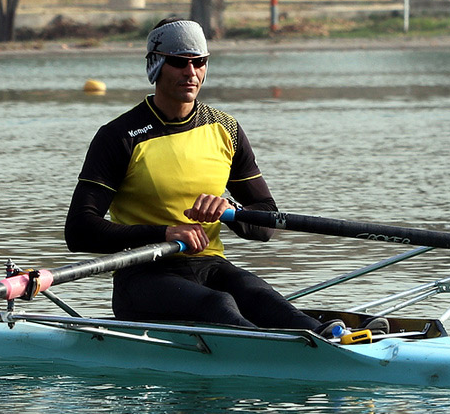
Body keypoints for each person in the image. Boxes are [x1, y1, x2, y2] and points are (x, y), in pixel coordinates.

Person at [65, 17, 351, 336]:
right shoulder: (120, 136)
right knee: (217, 305)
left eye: (199, 62)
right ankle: (273, 350)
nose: (191, 73)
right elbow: (79, 230)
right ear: (155, 65)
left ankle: (331, 338)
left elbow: (267, 221)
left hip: (211, 265)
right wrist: (164, 232)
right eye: (179, 62)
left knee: (263, 298)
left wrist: (231, 212)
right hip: (144, 275)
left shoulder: (225, 129)